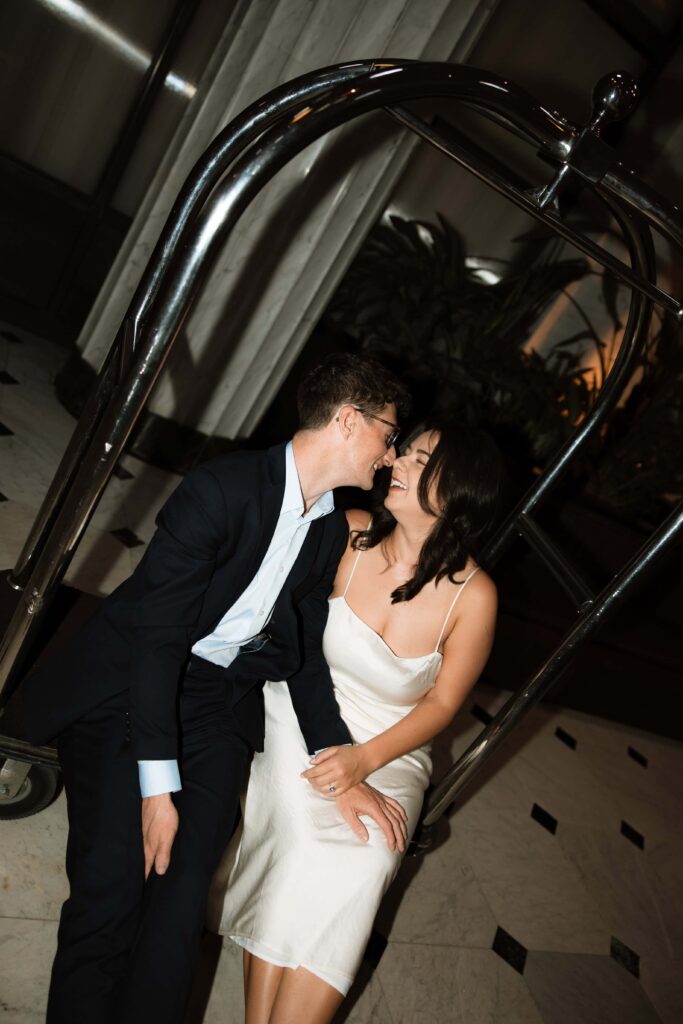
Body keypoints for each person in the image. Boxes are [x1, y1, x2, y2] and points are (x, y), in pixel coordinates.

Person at [15, 352, 412, 1024]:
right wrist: (156, 788)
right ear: (348, 421)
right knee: (111, 892)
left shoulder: (325, 532)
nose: (390, 455)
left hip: (216, 708)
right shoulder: (219, 491)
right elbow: (157, 642)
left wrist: (342, 767)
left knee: (176, 912)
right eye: (388, 434)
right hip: (133, 690)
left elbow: (306, 659)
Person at [212, 420, 503, 1024]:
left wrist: (365, 763)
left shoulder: (473, 596)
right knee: (298, 834)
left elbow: (443, 707)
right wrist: (339, 761)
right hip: (302, 708)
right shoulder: (351, 534)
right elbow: (293, 639)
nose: (396, 460)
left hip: (395, 746)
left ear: (458, 492)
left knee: (370, 853)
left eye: (421, 459)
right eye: (405, 450)